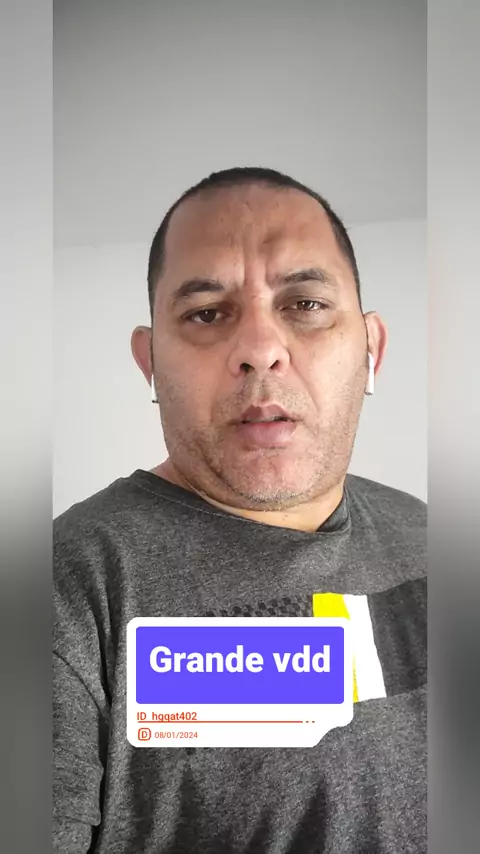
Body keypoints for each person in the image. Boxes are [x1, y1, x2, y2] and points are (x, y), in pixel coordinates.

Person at [53, 167, 426, 853]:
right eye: (206, 313)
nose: (259, 350)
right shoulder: (61, 593)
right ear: (150, 363)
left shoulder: (434, 540)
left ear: (371, 349)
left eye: (306, 303)